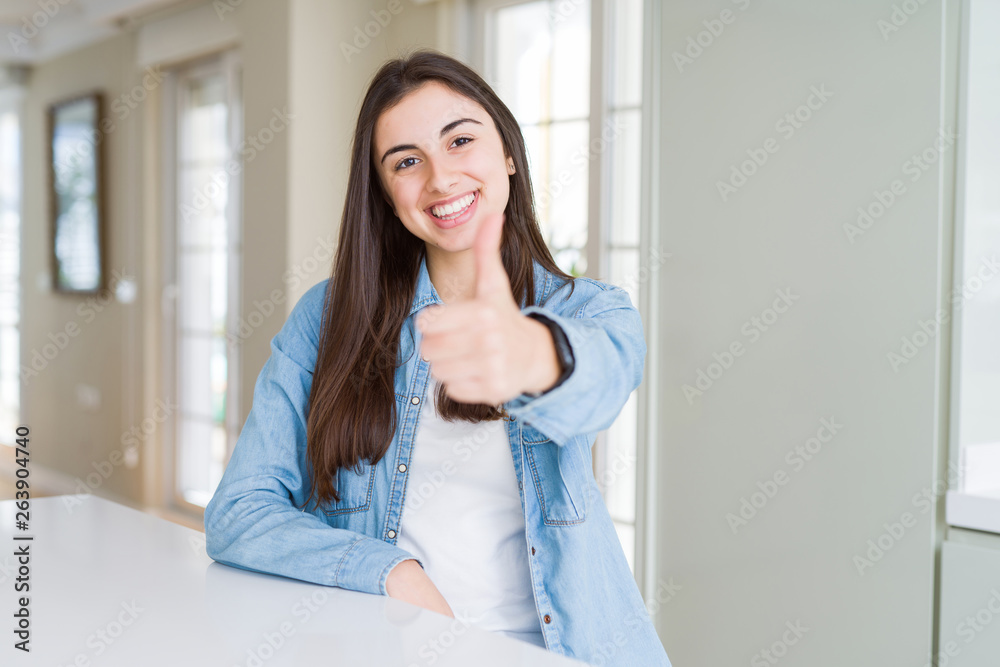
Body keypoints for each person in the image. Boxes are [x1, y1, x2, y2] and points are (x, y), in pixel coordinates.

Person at [204, 48, 671, 666]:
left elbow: (606, 374)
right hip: (396, 648)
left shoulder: (590, 311)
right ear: (385, 192)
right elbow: (238, 512)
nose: (440, 179)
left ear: (507, 151)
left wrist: (533, 355)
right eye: (406, 161)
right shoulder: (328, 318)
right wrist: (389, 570)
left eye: (460, 142)